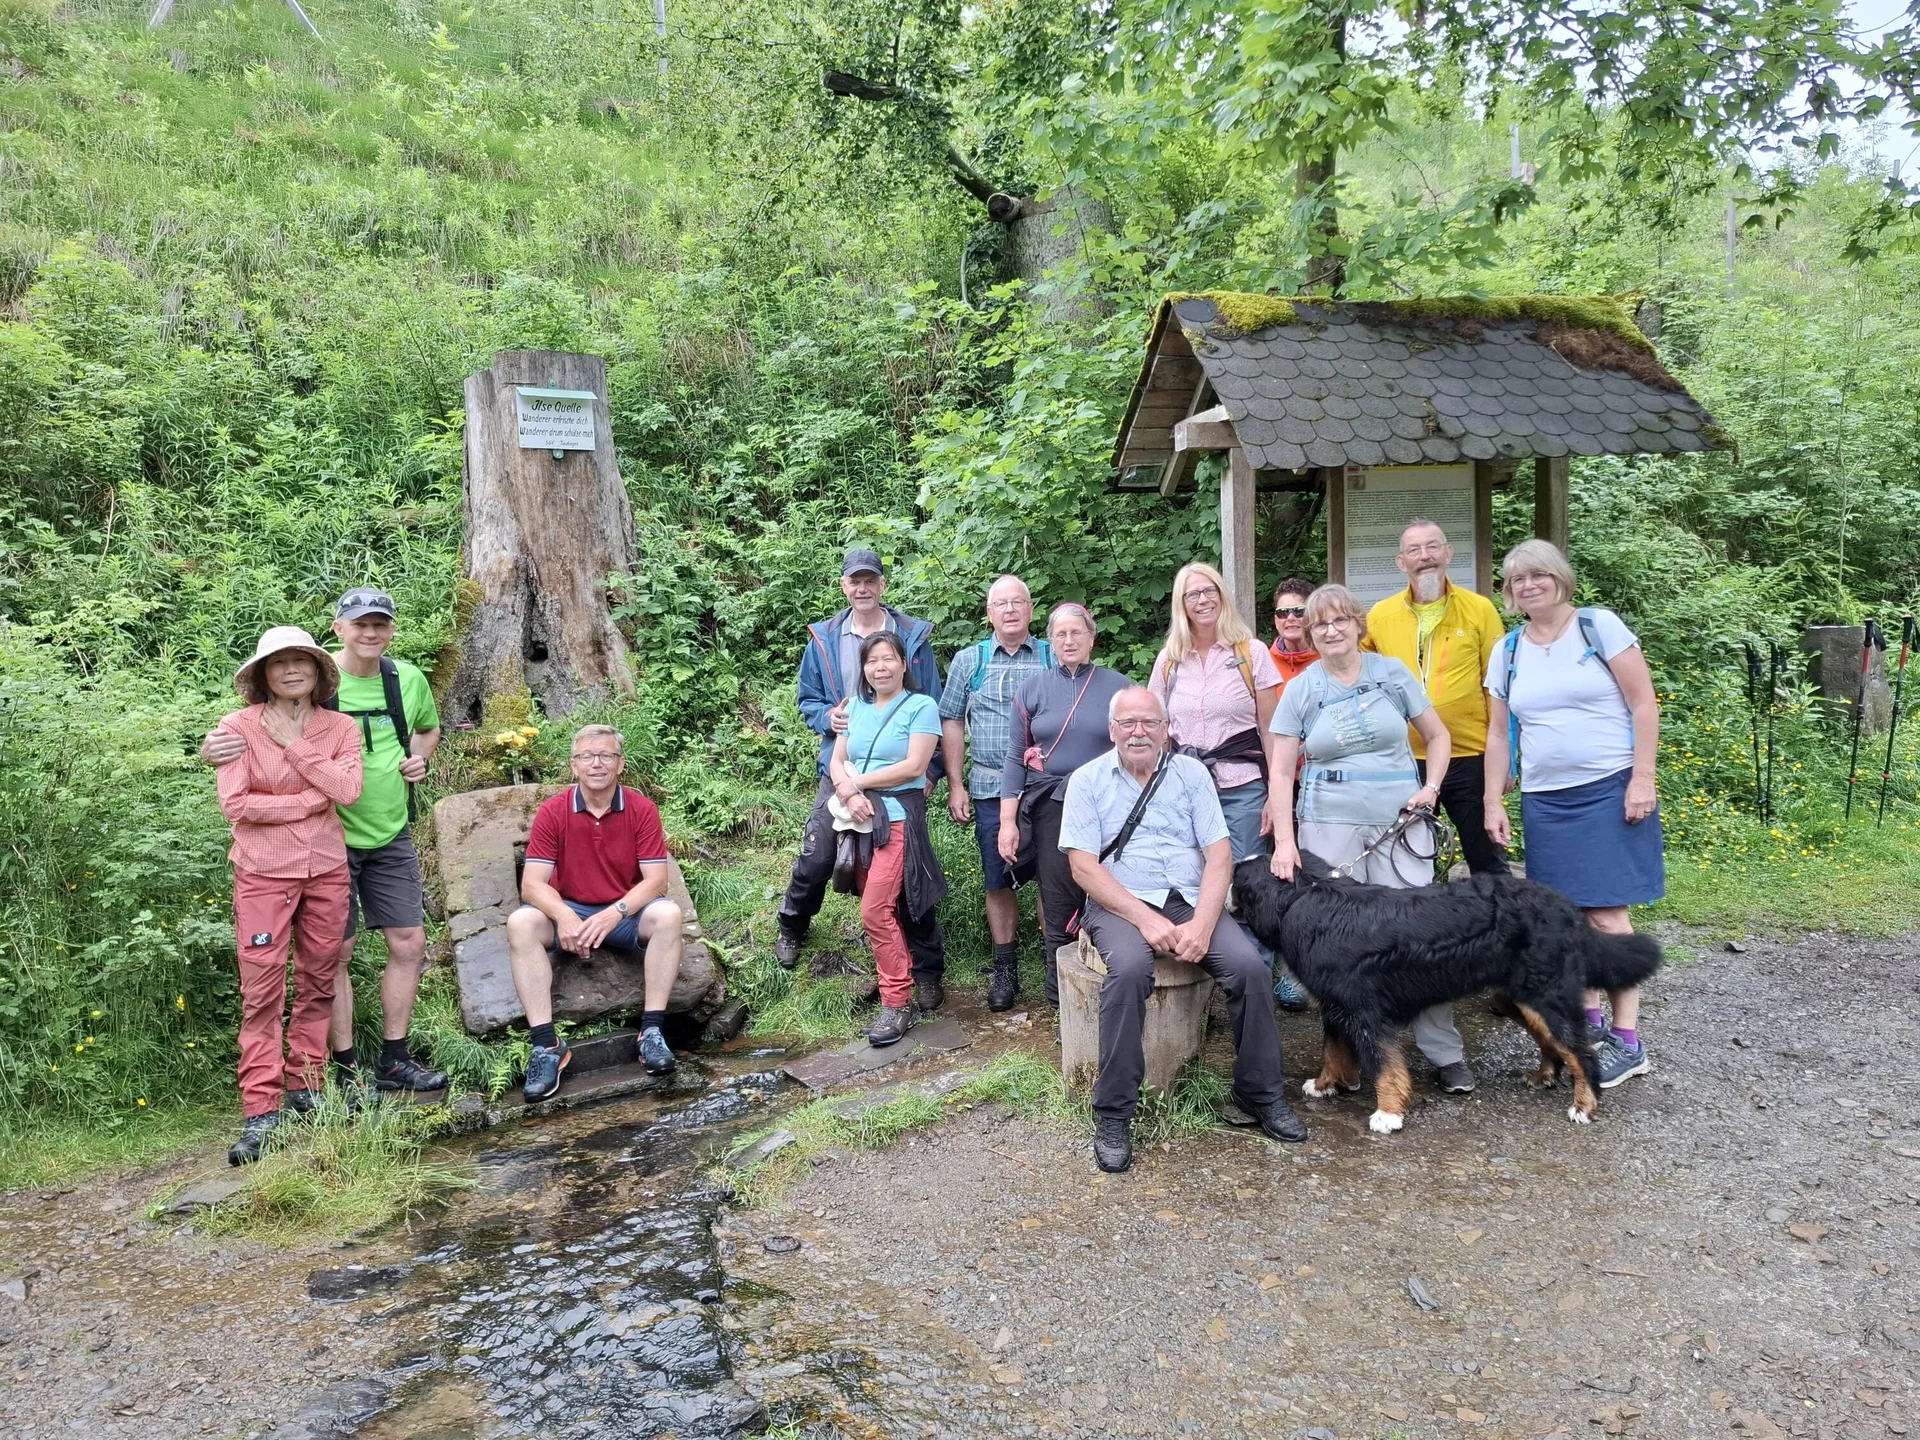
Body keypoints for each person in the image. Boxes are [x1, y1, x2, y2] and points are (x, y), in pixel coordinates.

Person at [202, 589, 448, 1095]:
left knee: (409, 942)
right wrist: (216, 749)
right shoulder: (307, 688)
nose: (371, 632)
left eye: (381, 623)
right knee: (332, 956)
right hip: (323, 843)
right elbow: (245, 757)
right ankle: (342, 1067)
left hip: (387, 829)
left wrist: (418, 761)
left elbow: (426, 730)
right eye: (359, 623)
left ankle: (392, 1061)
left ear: (392, 629)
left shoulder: (406, 680)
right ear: (338, 629)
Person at [1061, 687, 1306, 1173]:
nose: (1138, 732)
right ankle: (1114, 1112)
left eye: (1149, 722)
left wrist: (1203, 921)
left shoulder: (1192, 775)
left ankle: (1259, 1093)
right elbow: (1083, 866)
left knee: (1249, 970)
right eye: (1128, 723)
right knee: (1129, 971)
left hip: (1189, 899)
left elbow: (1219, 854)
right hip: (1119, 900)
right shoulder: (1087, 780)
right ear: (1112, 731)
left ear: (1166, 728)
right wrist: (1145, 917)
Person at [1266, 584, 1478, 1095]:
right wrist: (1286, 843)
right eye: (1320, 624)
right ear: (1310, 634)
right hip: (1326, 829)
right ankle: (1346, 1062)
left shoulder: (1391, 675)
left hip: (1399, 826)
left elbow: (1439, 736)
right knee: (1334, 949)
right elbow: (1278, 771)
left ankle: (1443, 1052)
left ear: (1358, 625)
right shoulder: (1301, 689)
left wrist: (1430, 788)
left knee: (1419, 937)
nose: (1331, 630)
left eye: (1340, 620)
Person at [1482, 539, 1664, 1089]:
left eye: (1538, 575)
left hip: (1609, 790)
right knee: (1565, 921)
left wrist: (1642, 777)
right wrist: (1494, 799)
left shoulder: (1597, 627)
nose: (1529, 586)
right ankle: (1583, 1031)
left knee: (1608, 917)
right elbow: (1496, 733)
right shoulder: (1508, 650)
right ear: (1510, 592)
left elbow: (1643, 703)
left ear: (1560, 577)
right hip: (1545, 801)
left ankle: (1627, 1039)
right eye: (1517, 580)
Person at [212, 627, 363, 1165]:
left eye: (303, 661)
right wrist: (306, 801)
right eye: (280, 663)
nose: (292, 670)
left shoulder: (340, 728)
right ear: (263, 674)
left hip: (325, 869)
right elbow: (236, 806)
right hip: (262, 873)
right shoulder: (235, 729)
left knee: (320, 977)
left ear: (319, 673)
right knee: (262, 988)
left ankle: (306, 1089)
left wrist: (296, 749)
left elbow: (347, 792)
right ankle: (261, 1108)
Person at [779, 548, 949, 1011]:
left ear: (882, 585)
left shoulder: (911, 637)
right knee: (818, 855)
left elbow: (930, 704)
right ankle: (792, 924)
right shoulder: (824, 638)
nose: (862, 587)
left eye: (869, 579)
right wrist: (828, 719)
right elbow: (809, 700)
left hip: (898, 782)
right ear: (843, 586)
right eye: (854, 580)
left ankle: (927, 971)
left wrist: (931, 770)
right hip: (842, 766)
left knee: (910, 876)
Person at [506, 726, 684, 1101]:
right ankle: (546, 1045)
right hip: (568, 909)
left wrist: (614, 914)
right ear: (574, 765)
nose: (596, 763)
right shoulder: (553, 811)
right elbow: (532, 886)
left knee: (668, 915)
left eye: (606, 756)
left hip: (624, 912)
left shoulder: (642, 809)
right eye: (587, 756)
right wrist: (565, 917)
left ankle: (651, 1031)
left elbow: (656, 882)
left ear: (620, 765)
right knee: (521, 922)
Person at [997, 603, 1133, 1007]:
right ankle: (1063, 1004)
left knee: (1110, 894)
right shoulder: (1033, 689)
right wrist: (1008, 820)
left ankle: (1115, 991)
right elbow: (1013, 756)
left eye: (1078, 633)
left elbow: (1138, 747)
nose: (1069, 640)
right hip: (1050, 805)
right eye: (1061, 634)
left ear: (1092, 638)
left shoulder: (1118, 686)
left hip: (1108, 807)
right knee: (1057, 901)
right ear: (1050, 641)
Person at [1362, 519, 1511, 881]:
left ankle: (1505, 932)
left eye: (1432, 547)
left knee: (1487, 859)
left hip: (1470, 755)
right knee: (1405, 861)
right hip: (1406, 759)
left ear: (1448, 553)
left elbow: (1499, 686)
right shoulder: (1380, 615)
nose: (1424, 557)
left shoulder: (1480, 610)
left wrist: (1506, 759)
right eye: (1414, 550)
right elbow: (1358, 675)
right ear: (1401, 562)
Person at [939, 575, 1056, 1011]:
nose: (1009, 610)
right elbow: (951, 719)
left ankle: (1054, 965)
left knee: (1053, 878)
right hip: (988, 785)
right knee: (997, 878)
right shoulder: (970, 661)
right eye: (1000, 604)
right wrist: (955, 782)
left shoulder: (1050, 656)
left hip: (1046, 789)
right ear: (989, 613)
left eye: (1017, 602)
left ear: (1030, 610)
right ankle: (1004, 969)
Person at [830, 632, 949, 1047]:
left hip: (897, 819)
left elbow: (914, 766)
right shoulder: (855, 707)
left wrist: (854, 784)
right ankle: (904, 989)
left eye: (888, 659)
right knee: (885, 909)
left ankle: (897, 1002)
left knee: (875, 910)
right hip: (858, 820)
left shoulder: (922, 706)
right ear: (863, 667)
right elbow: (836, 759)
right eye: (872, 661)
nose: (880, 667)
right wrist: (848, 791)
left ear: (904, 664)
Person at [1149, 562, 1285, 866]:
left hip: (1243, 786)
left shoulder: (1252, 653)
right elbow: (1156, 730)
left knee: (1248, 876)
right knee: (1189, 874)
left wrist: (1275, 794)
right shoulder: (1169, 660)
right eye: (1193, 594)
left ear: (1222, 596)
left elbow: (1271, 729)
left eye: (1210, 591)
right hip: (1184, 787)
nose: (1203, 600)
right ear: (1181, 605)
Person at [1268, 576, 1319, 692]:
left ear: (1314, 615)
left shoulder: (1330, 657)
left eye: (1299, 611)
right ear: (1276, 621)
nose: (1290, 618)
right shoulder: (1263, 664)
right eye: (1282, 613)